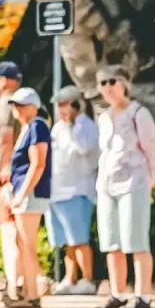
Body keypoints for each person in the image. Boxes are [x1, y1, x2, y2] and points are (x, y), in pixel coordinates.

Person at [93, 64, 155, 308]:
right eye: (103, 83)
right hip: (107, 184)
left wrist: (150, 181)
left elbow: (152, 150)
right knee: (111, 243)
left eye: (113, 81)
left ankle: (142, 297)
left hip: (134, 182)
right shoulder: (103, 117)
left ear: (124, 84)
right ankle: (117, 293)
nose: (108, 87)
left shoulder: (138, 113)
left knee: (137, 241)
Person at [0, 88, 51, 308]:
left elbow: (38, 164)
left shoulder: (37, 126)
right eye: (15, 105)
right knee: (21, 243)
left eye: (21, 105)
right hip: (24, 191)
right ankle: (28, 292)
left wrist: (21, 194)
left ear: (34, 106)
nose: (17, 109)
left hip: (31, 193)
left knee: (27, 244)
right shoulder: (27, 128)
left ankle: (32, 295)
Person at [47, 86, 99, 295]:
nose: (60, 109)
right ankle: (70, 278)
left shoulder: (86, 126)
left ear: (77, 104)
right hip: (57, 190)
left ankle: (87, 279)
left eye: (64, 105)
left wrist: (72, 125)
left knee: (79, 239)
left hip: (77, 190)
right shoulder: (58, 127)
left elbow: (84, 147)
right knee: (67, 240)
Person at [0, 61, 24, 297]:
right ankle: (19, 278)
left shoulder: (5, 103)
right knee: (16, 229)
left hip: (6, 174)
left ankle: (15, 281)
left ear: (7, 81)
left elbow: (5, 141)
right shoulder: (19, 103)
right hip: (15, 172)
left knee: (9, 230)